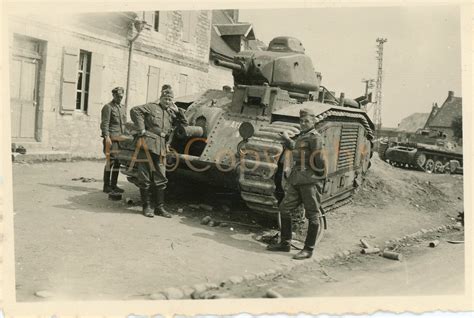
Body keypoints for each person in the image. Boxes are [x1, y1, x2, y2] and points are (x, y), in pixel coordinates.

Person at [267, 108, 327, 260]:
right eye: (301, 121)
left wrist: (319, 175)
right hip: (297, 179)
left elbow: (319, 158)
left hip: (310, 181)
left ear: (314, 121)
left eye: (306, 121)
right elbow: (299, 149)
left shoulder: (315, 137)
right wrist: (287, 140)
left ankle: (308, 249)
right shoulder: (304, 136)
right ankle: (285, 243)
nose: (303, 123)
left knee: (312, 214)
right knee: (284, 208)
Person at [130, 85, 186, 218]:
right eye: (165, 99)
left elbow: (184, 123)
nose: (167, 101)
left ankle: (159, 208)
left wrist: (178, 111)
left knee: (161, 177)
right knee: (144, 177)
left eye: (170, 99)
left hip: (161, 147)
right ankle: (146, 207)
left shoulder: (171, 113)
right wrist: (141, 129)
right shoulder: (151, 107)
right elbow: (135, 110)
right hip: (147, 144)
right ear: (160, 98)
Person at [100, 87, 126, 194]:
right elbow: (104, 123)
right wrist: (106, 137)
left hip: (120, 140)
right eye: (118, 96)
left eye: (121, 96)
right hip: (111, 139)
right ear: (113, 95)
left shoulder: (122, 107)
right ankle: (106, 186)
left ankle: (114, 185)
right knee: (110, 162)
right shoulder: (108, 107)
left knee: (117, 163)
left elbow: (124, 124)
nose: (120, 98)